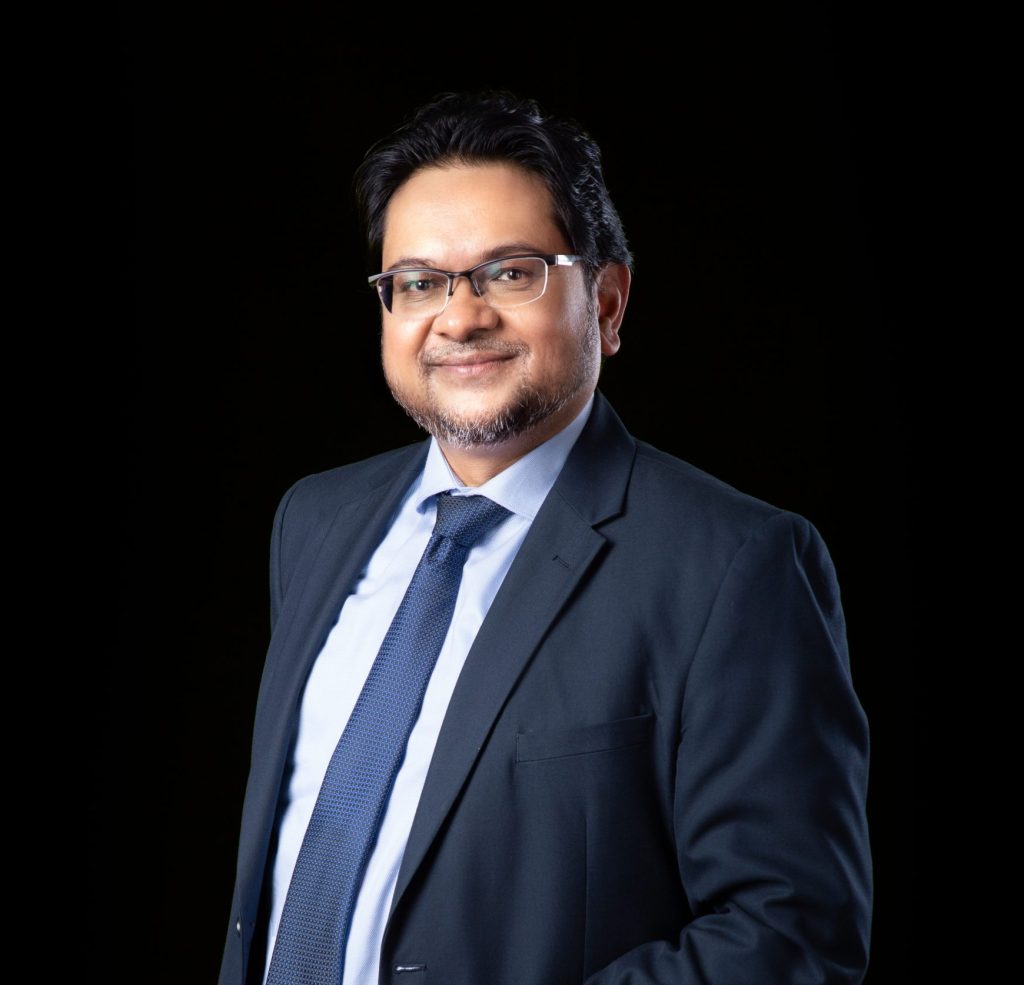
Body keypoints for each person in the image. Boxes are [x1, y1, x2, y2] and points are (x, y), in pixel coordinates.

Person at [219, 90, 872, 985]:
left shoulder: (735, 566)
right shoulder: (315, 522)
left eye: (510, 272)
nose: (459, 318)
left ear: (606, 301)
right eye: (419, 282)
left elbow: (788, 931)